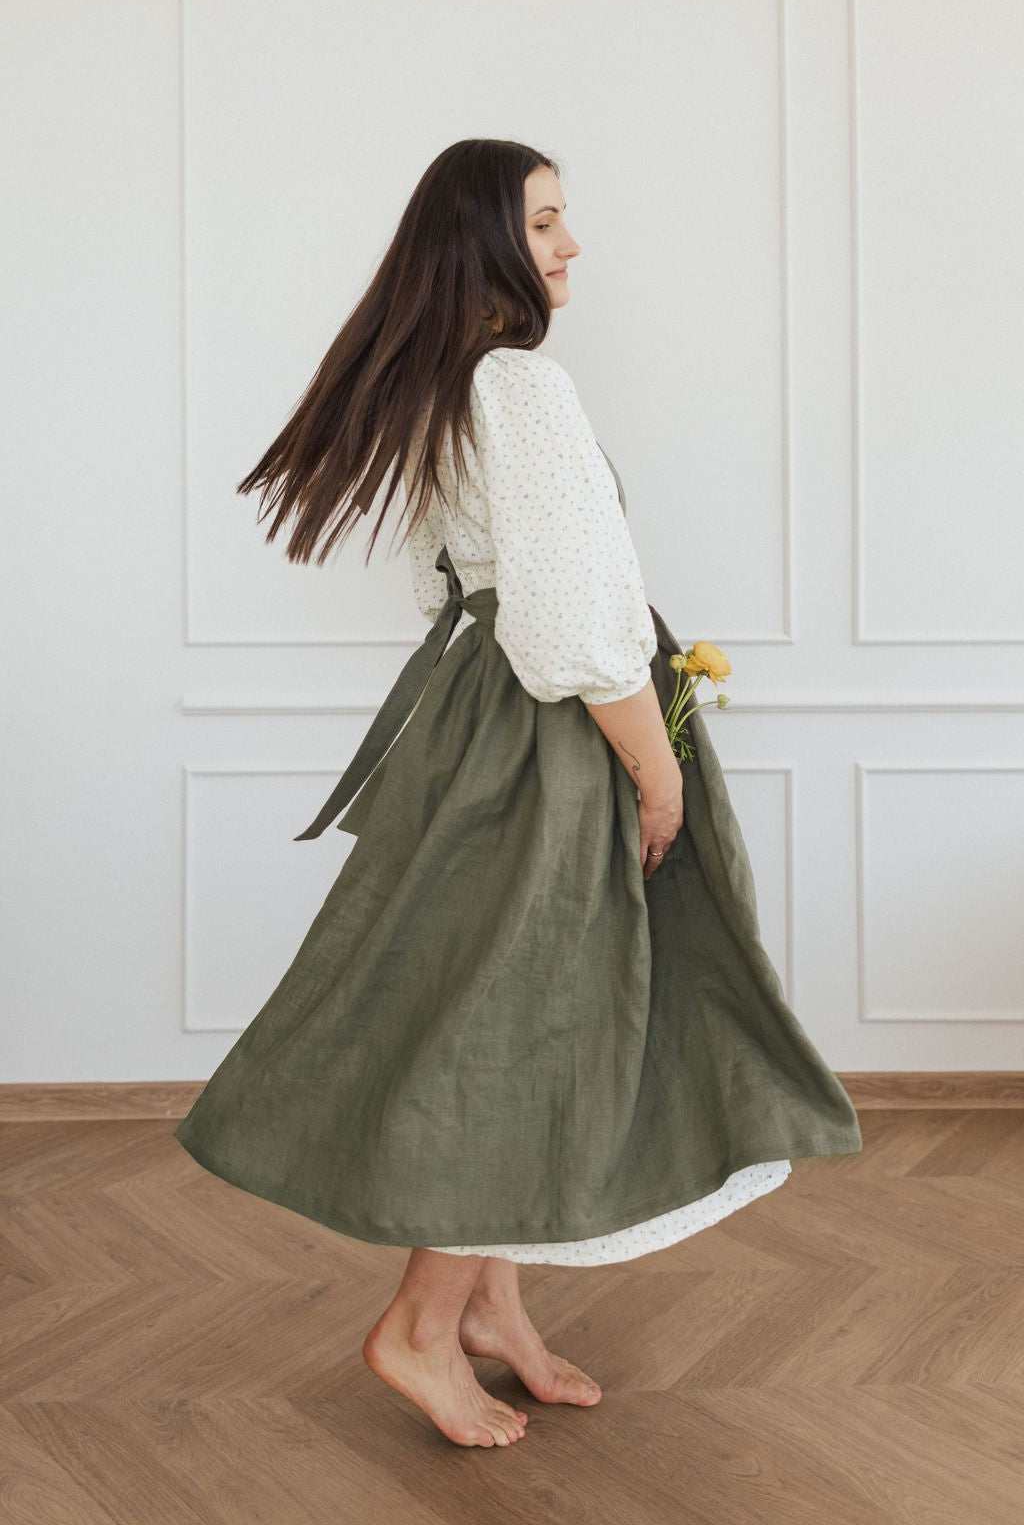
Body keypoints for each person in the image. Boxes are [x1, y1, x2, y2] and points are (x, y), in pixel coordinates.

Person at [174, 138, 862, 1450]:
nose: (570, 243)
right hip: (553, 733)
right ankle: (418, 1328)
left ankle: (489, 1308)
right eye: (544, 220)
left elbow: (466, 593)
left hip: (483, 722)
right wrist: (655, 765)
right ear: (483, 239)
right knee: (527, 1019)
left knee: (511, 1004)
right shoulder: (521, 386)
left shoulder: (449, 386)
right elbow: (573, 620)